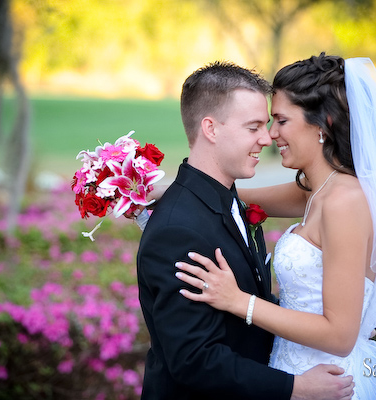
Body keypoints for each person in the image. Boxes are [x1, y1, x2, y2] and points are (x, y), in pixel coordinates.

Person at [174, 54, 376, 399]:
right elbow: (237, 194)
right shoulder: (318, 190)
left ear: (323, 123)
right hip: (292, 369)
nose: (271, 134)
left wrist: (238, 301)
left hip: (327, 382)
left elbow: (339, 335)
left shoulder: (344, 202)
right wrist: (168, 189)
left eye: (281, 120)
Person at [136, 61, 355, 399]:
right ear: (211, 128)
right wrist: (294, 388)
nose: (267, 138)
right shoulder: (177, 229)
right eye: (254, 127)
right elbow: (193, 359)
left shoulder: (227, 199)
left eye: (272, 124)